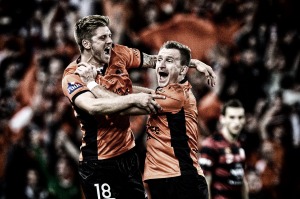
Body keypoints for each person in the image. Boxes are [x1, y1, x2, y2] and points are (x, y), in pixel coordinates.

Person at [62, 15, 216, 199]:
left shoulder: (119, 53)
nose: (110, 41)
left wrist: (191, 63)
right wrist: (135, 99)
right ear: (86, 44)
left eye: (110, 36)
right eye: (103, 38)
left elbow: (153, 60)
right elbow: (94, 106)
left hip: (128, 156)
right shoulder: (73, 76)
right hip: (99, 163)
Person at [139, 41, 209, 199]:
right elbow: (137, 94)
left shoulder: (177, 95)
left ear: (183, 70)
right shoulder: (164, 93)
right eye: (159, 60)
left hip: (181, 178)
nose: (161, 65)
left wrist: (95, 86)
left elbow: (130, 103)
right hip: (162, 178)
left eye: (169, 60)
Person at [199, 99, 249, 199]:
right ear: (222, 119)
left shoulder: (240, 145)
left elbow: (241, 179)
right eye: (232, 117)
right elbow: (204, 183)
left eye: (240, 117)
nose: (237, 122)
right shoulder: (211, 145)